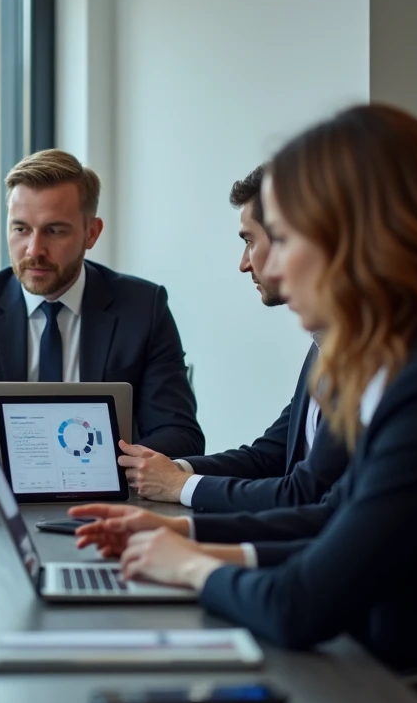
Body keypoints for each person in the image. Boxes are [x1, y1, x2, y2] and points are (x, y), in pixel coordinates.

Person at [75, 104, 417, 673]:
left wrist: (189, 565)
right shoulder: (404, 365)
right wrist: (184, 534)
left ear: (353, 240)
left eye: (283, 238)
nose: (271, 268)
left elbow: (302, 604)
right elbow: (329, 520)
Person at [0, 149, 204, 482]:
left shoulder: (143, 307)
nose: (34, 250)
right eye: (21, 229)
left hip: (110, 498)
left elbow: (181, 434)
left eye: (55, 231)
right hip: (1, 500)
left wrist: (90, 464)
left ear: (91, 233)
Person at [117, 165, 349, 514]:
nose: (244, 263)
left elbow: (305, 493)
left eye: (249, 241)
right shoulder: (322, 344)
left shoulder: (363, 355)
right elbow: (269, 455)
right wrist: (173, 471)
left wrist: (179, 486)